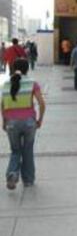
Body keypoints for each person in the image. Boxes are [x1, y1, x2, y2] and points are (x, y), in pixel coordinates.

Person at [1, 58, 46, 190]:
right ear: (27, 69)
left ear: (14, 69)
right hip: (29, 123)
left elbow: (2, 105)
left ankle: (12, 173)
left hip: (11, 123)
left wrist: (4, 122)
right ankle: (28, 180)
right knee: (27, 150)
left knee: (15, 150)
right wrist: (40, 120)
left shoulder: (6, 84)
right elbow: (42, 104)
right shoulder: (32, 83)